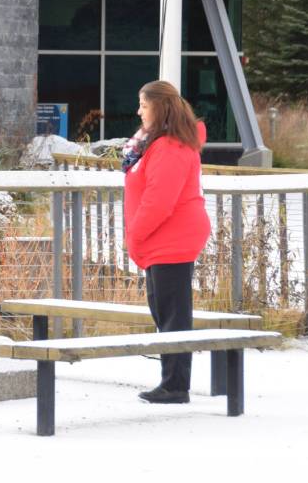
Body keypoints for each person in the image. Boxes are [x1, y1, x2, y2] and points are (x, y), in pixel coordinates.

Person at [121, 80, 211, 404]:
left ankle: (175, 385)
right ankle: (171, 381)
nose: (139, 111)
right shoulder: (156, 142)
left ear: (158, 107)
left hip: (172, 238)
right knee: (164, 311)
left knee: (173, 314)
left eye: (144, 105)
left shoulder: (170, 146)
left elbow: (160, 199)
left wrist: (135, 233)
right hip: (162, 239)